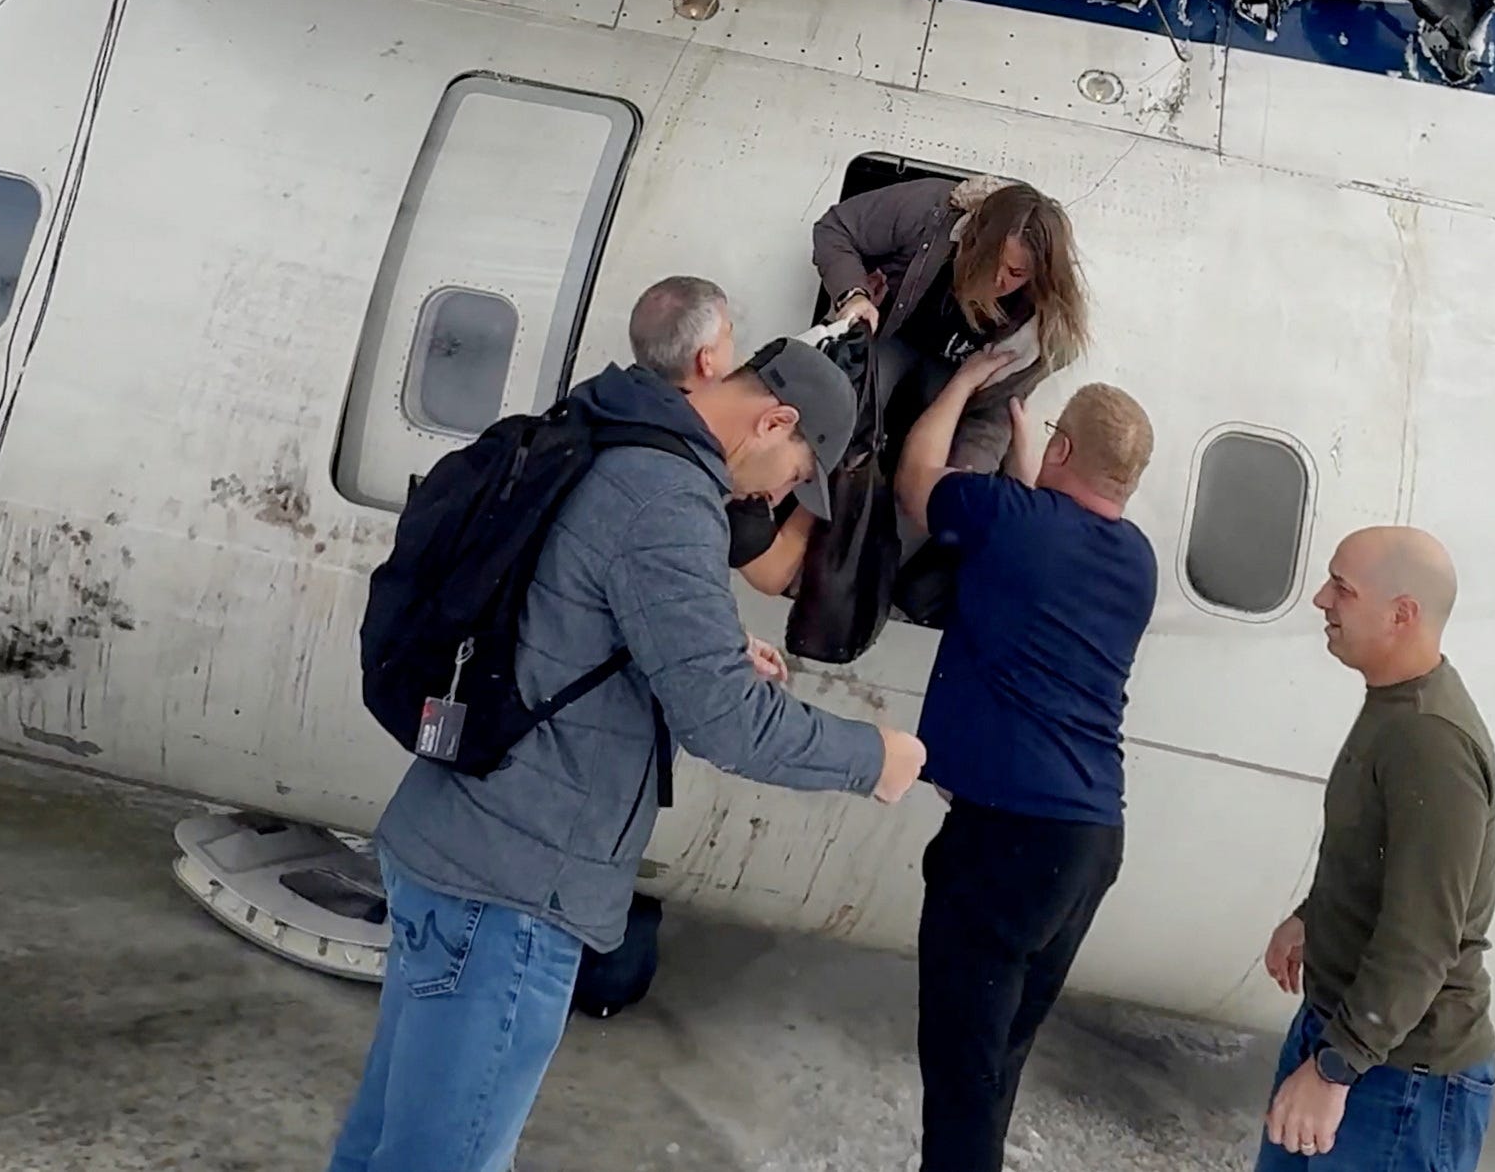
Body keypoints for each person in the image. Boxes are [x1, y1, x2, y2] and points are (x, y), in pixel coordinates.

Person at [326, 340, 930, 1172]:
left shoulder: (618, 429)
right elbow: (728, 721)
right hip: (514, 885)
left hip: (457, 842)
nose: (775, 496)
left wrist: (710, 647)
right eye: (795, 474)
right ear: (775, 422)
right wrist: (874, 757)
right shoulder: (669, 498)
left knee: (387, 1145)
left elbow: (567, 605)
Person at [893, 349, 1159, 1172]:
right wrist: (1030, 452)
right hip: (1087, 845)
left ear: (1064, 449)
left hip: (1007, 843)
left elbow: (917, 482)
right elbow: (1042, 534)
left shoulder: (1013, 521)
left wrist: (963, 385)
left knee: (961, 1075)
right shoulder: (1136, 561)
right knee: (996, 1061)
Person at [1256, 527, 1495, 1170]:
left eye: (1342, 588)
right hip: (1345, 1037)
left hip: (1401, 1080)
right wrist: (1313, 916)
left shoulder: (1431, 742)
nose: (1321, 599)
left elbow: (1423, 939)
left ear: (1402, 614)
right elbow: (1380, 855)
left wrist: (1336, 1068)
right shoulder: (1394, 706)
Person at [811, 174, 1090, 475]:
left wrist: (963, 481)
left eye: (1016, 273)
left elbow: (992, 414)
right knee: (856, 402)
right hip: (894, 333)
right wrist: (854, 293)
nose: (998, 279)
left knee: (950, 451)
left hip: (958, 376)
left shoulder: (1040, 329)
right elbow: (835, 227)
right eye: (990, 260)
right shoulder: (929, 210)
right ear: (972, 238)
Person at [626, 273, 806, 605]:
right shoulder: (694, 463)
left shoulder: (621, 410)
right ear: (706, 360)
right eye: (729, 334)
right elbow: (770, 574)